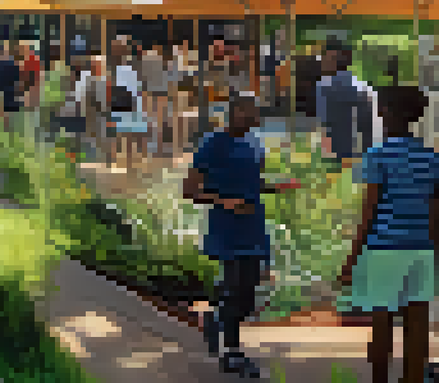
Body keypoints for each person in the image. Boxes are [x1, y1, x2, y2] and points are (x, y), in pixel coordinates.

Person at [183, 91, 301, 378]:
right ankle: (233, 353)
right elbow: (189, 190)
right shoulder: (212, 144)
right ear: (236, 113)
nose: (257, 117)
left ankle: (215, 319)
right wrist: (225, 201)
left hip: (253, 224)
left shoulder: (254, 143)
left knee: (248, 294)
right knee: (237, 286)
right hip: (226, 224)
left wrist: (276, 186)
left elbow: (253, 182)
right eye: (251, 112)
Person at [337, 85, 439, 383]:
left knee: (381, 325)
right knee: (417, 325)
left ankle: (380, 379)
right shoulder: (431, 158)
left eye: (381, 107)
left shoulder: (377, 155)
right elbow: (435, 215)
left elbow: (368, 213)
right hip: (420, 249)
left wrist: (352, 259)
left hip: (383, 249)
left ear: (389, 113)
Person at [318, 40, 380, 168]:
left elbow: (322, 121)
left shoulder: (325, 87)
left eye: (328, 58)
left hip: (337, 153)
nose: (323, 62)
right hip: (362, 152)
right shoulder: (365, 88)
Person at [108, 49, 147, 168]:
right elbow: (135, 90)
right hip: (126, 105)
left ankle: (117, 161)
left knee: (121, 135)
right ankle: (129, 163)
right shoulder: (128, 71)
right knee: (129, 136)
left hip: (121, 105)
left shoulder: (114, 71)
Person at [139, 44, 169, 154]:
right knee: (156, 121)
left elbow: (143, 78)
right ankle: (156, 146)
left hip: (152, 92)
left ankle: (153, 146)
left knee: (152, 121)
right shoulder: (157, 59)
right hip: (157, 93)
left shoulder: (147, 59)